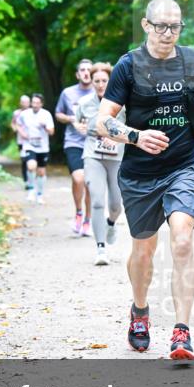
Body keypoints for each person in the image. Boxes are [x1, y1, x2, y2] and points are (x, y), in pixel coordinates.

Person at [95, 0, 194, 360]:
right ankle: (139, 310)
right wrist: (136, 136)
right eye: (162, 26)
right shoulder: (127, 66)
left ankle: (182, 333)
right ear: (146, 26)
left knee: (182, 239)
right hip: (138, 174)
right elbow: (102, 122)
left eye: (176, 26)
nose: (169, 33)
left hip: (183, 166)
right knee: (143, 251)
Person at [73, 62, 125, 265]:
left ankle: (111, 222)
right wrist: (80, 128)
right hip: (93, 155)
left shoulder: (122, 102)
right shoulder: (85, 103)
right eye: (97, 81)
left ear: (110, 81)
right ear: (92, 82)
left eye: (104, 81)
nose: (101, 84)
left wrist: (117, 136)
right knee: (96, 201)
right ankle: (100, 249)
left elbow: (131, 126)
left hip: (116, 157)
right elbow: (78, 122)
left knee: (115, 205)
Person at [55, 59, 95, 236]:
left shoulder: (100, 91)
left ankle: (88, 220)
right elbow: (58, 114)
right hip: (74, 142)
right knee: (78, 179)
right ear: (78, 74)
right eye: (83, 70)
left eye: (89, 70)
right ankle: (79, 212)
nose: (86, 72)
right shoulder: (68, 93)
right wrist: (73, 120)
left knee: (90, 184)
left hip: (95, 143)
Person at [18, 94, 55, 205]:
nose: (34, 105)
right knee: (31, 166)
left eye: (37, 103)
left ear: (41, 104)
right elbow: (18, 124)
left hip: (43, 147)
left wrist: (45, 126)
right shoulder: (24, 114)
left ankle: (40, 194)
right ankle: (31, 189)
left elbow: (52, 132)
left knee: (41, 172)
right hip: (29, 145)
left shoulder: (46, 114)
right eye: (33, 102)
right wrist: (22, 133)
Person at [11, 95, 32, 190]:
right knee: (24, 161)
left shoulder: (33, 112)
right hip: (21, 141)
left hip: (32, 140)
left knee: (32, 160)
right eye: (23, 102)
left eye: (27, 102)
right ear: (20, 103)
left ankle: (32, 180)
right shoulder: (16, 113)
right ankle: (26, 181)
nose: (25, 104)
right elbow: (13, 123)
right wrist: (15, 129)